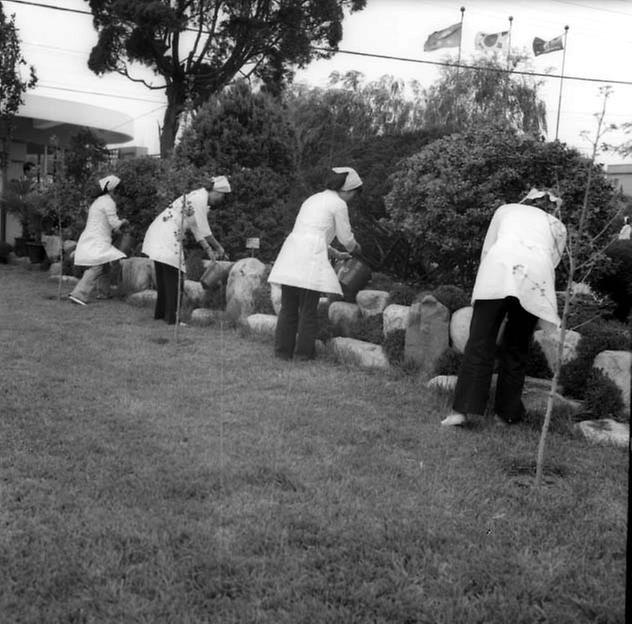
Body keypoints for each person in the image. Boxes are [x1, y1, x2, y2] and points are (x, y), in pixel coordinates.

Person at [442, 188, 567, 427]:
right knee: (517, 345)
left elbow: (489, 248)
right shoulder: (558, 226)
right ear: (552, 208)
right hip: (534, 278)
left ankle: (461, 411)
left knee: (480, 341)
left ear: (527, 200)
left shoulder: (506, 210)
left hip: (497, 271)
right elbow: (553, 261)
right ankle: (506, 415)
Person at [268, 166, 363, 361]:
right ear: (348, 190)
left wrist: (336, 253)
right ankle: (304, 355)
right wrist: (356, 250)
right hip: (310, 257)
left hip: (293, 252)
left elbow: (309, 232)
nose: (352, 199)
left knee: (288, 306)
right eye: (354, 194)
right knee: (308, 308)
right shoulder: (338, 204)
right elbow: (346, 238)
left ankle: (282, 353)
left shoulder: (313, 199)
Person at [142, 176, 230, 325]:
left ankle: (162, 314)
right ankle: (172, 319)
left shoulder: (195, 196)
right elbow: (205, 230)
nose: (221, 199)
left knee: (164, 276)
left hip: (159, 231)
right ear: (214, 191)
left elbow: (195, 227)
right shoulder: (200, 199)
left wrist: (208, 249)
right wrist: (219, 247)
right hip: (168, 235)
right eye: (221, 195)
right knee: (175, 279)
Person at [68, 175, 129, 305]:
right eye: (118, 191)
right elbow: (114, 223)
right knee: (97, 266)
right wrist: (123, 222)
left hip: (94, 236)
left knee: (104, 264)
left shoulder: (99, 201)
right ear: (113, 190)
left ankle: (103, 292)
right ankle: (78, 294)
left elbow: (105, 222)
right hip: (97, 239)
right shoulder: (108, 202)